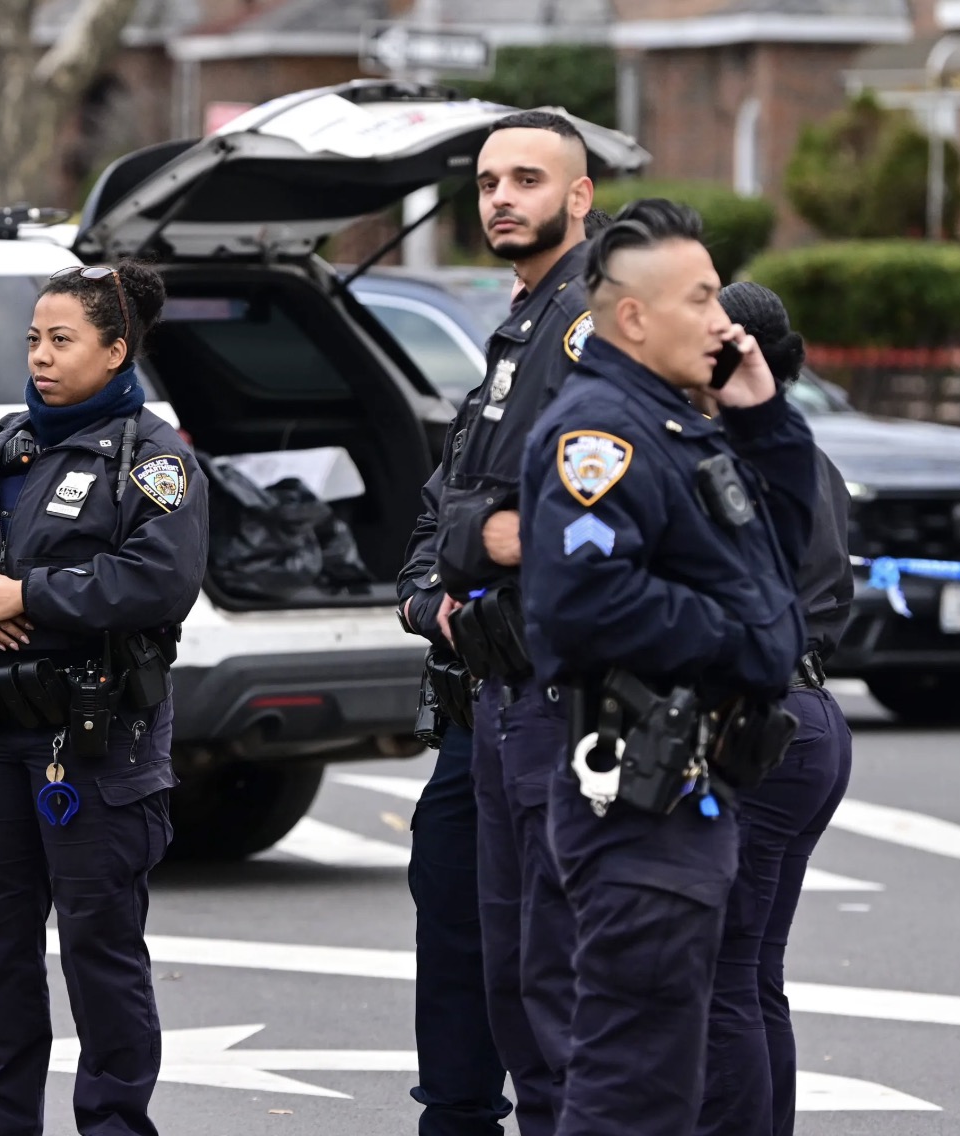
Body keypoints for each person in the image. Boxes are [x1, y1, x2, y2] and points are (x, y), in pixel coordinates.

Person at [518, 199, 816, 1136]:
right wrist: (743, 637)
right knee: (632, 1085)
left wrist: (763, 417)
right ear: (635, 317)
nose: (723, 320)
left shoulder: (679, 424)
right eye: (699, 298)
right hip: (640, 799)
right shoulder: (600, 436)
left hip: (693, 796)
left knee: (664, 1076)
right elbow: (584, 598)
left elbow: (783, 555)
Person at [0, 260, 206, 1136]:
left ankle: (112, 1123)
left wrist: (25, 595)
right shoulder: (3, 448)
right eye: (33, 338)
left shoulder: (155, 459)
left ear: (114, 350)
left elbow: (160, 578)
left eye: (61, 340)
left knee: (101, 951)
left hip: (95, 740)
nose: (40, 355)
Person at [396, 109, 596, 1136]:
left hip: (554, 698)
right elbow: (447, 503)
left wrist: (478, 543)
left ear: (580, 195)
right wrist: (428, 590)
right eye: (487, 182)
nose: (502, 198)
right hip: (479, 691)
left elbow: (573, 512)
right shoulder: (517, 331)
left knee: (540, 947)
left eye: (527, 178)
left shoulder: (591, 323)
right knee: (455, 904)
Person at [696, 282, 855, 1136]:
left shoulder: (737, 460)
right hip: (813, 717)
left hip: (767, 724)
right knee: (754, 969)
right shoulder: (806, 458)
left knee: (725, 969)